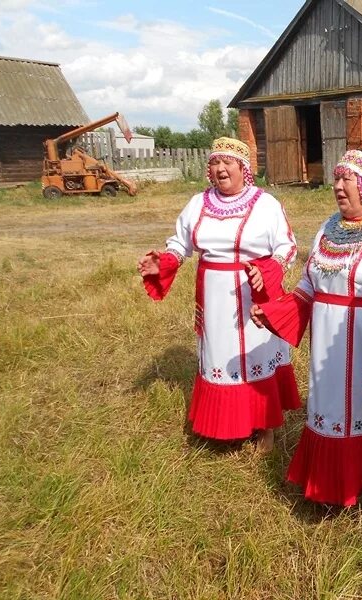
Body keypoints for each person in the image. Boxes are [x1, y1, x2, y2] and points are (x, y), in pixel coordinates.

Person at [251, 149, 362, 506]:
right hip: (329, 351)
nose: (337, 186)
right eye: (336, 178)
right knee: (332, 409)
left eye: (346, 179)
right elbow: (308, 285)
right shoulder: (326, 229)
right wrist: (276, 311)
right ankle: (333, 486)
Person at [137, 137, 300, 452]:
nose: (220, 168)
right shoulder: (198, 203)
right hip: (214, 298)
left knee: (257, 358)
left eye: (228, 162)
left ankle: (265, 429)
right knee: (218, 356)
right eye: (214, 162)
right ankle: (229, 426)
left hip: (256, 293)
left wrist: (270, 269)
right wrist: (165, 261)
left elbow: (287, 246)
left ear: (243, 168)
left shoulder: (265, 204)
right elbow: (180, 244)